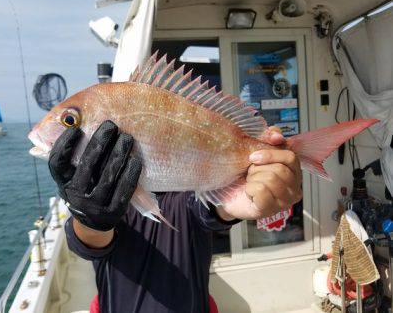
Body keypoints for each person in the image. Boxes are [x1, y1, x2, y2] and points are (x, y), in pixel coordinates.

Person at [49, 120, 303, 313]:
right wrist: (88, 217)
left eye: (70, 121)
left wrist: (239, 200)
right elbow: (89, 239)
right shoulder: (103, 198)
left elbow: (207, 211)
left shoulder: (189, 192)